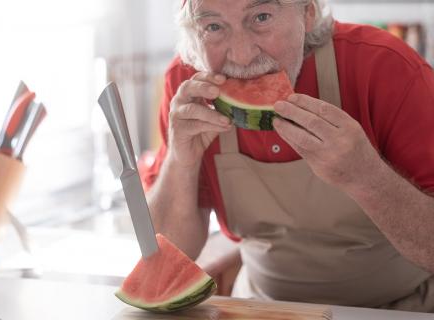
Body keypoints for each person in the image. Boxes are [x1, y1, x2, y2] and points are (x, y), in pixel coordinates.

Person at [144, 0, 434, 312]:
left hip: (399, 308)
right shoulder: (188, 89)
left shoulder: (384, 66)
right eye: (214, 26)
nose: (241, 56)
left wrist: (368, 177)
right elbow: (166, 258)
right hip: (262, 309)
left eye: (261, 17)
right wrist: (180, 161)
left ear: (307, 12)